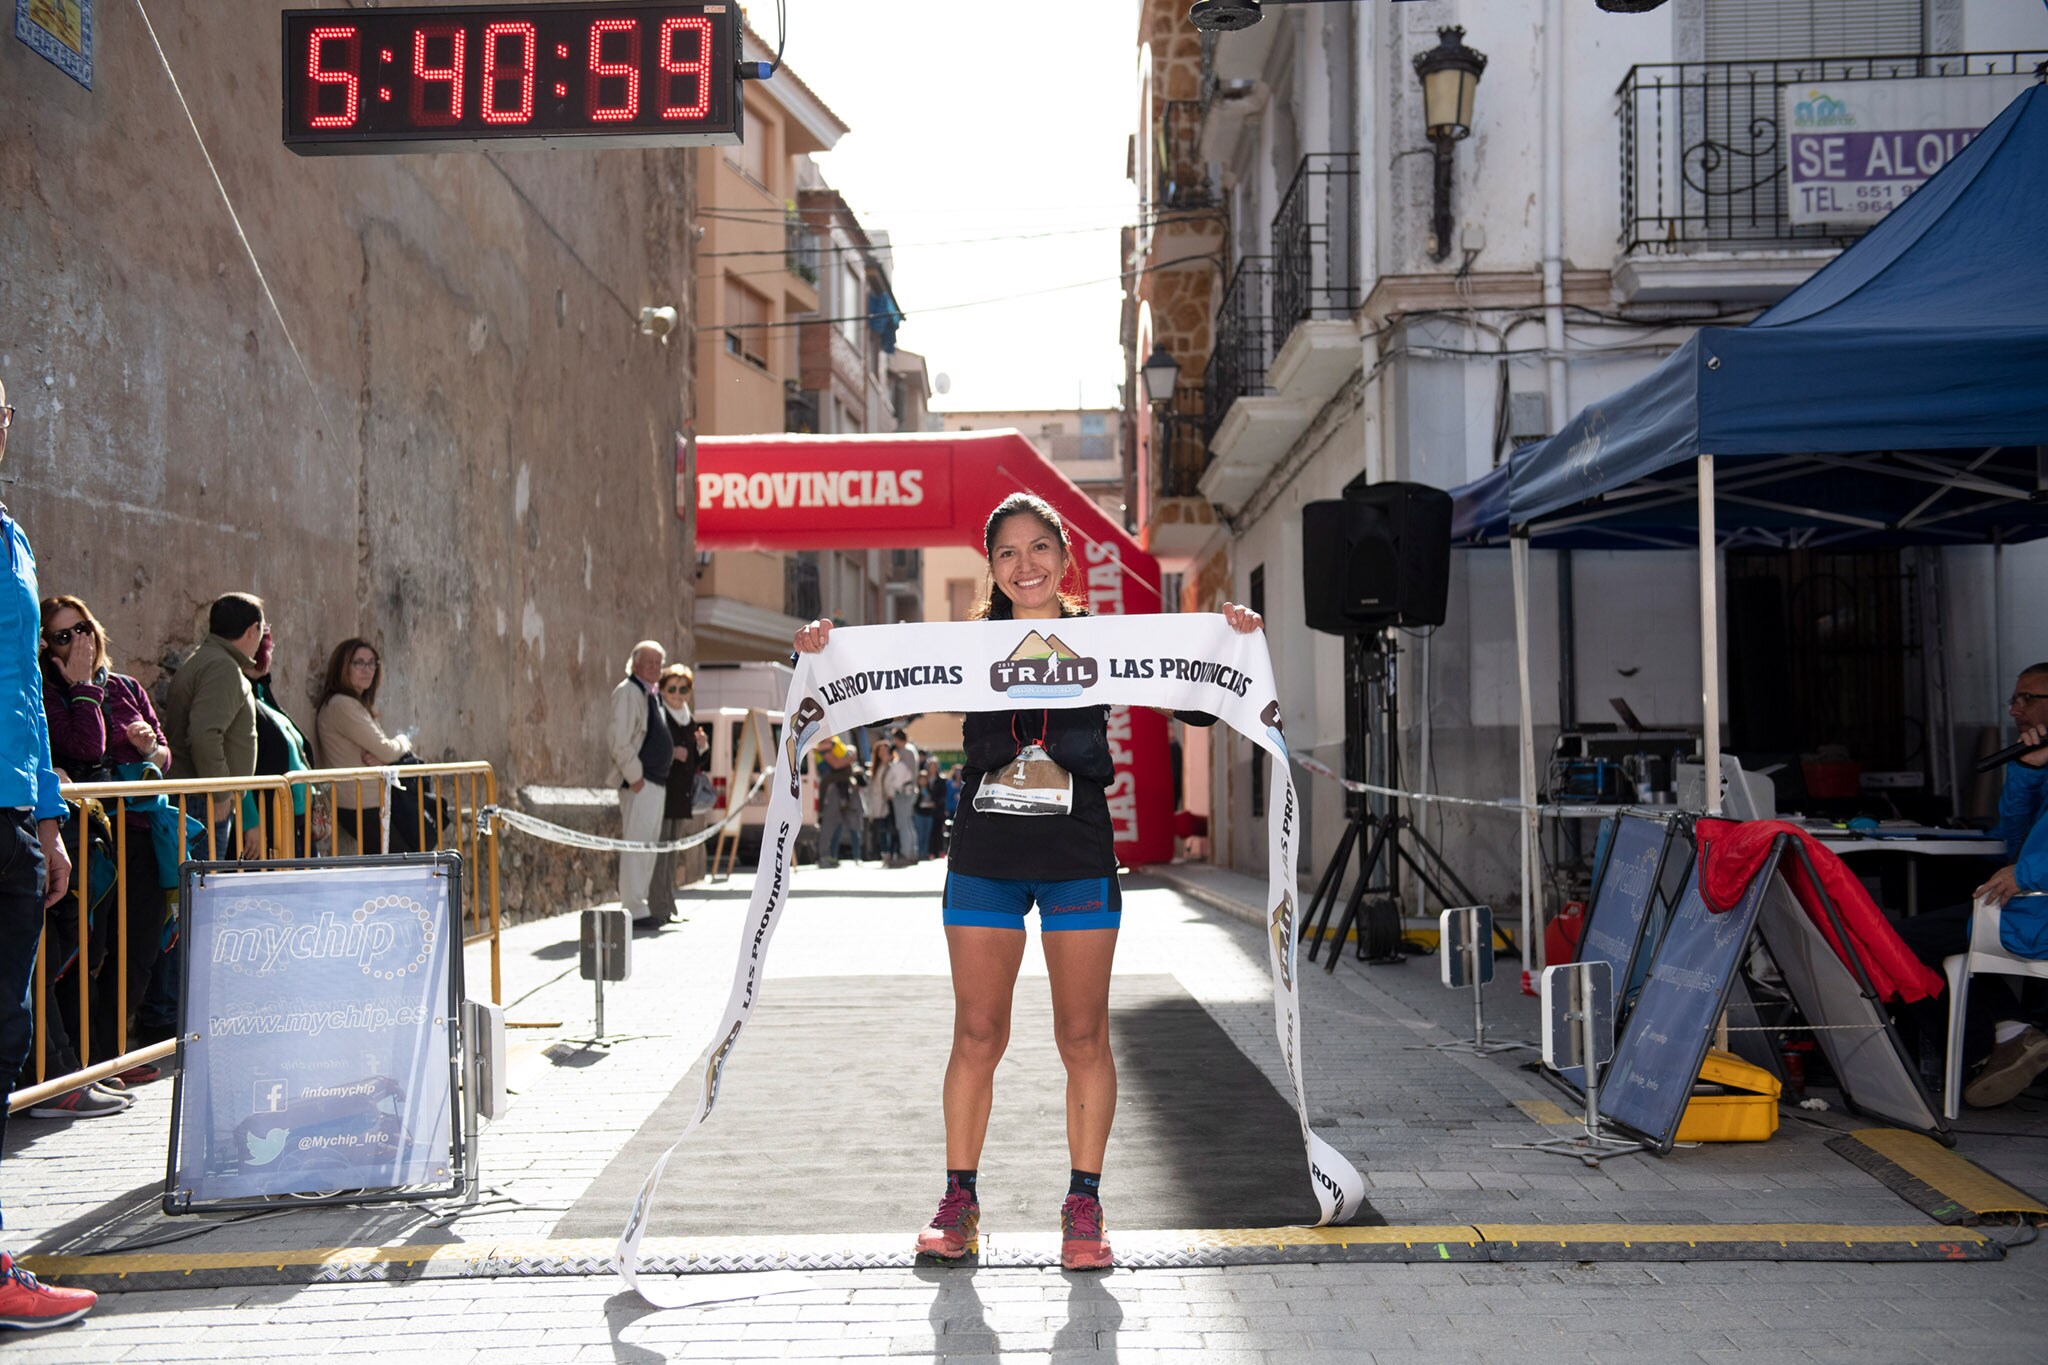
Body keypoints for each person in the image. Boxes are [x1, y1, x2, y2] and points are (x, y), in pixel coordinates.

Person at [794, 491, 1261, 1271]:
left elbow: (1201, 703)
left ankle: (1084, 1203)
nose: (1025, 564)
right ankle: (959, 1200)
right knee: (979, 1032)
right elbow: (869, 683)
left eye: (1039, 546)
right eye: (1007, 552)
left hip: (1076, 848)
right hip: (986, 853)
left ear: (1065, 556)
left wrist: (1232, 640)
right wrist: (824, 645)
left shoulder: (1102, 640)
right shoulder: (966, 645)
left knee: (1082, 1035)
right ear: (992, 568)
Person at [0, 376, 100, 1328]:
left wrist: (46, 820)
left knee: (5, 1036)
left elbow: (25, 699)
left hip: (11, 822)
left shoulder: (14, 539)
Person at [35, 594, 174, 1112]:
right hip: (87, 835)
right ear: (48, 647)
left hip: (138, 830)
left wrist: (147, 749)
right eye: (63, 636)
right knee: (85, 952)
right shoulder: (55, 691)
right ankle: (84, 1061)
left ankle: (109, 1052)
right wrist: (81, 691)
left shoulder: (127, 687)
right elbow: (86, 749)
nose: (78, 642)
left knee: (138, 946)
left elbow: (165, 753)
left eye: (83, 630)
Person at [1898, 665, 2048, 1106]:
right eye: (2014, 699)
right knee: (1929, 917)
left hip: (2035, 915)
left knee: (1891, 944)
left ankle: (1992, 1046)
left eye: (2027, 698)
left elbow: (2020, 864)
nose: (2014, 709)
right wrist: (2027, 772)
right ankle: (2010, 1032)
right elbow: (2014, 843)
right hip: (2027, 908)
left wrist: (2026, 874)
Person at [163, 592, 265, 854]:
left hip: (199, 796)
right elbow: (204, 734)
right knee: (202, 889)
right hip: (203, 800)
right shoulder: (222, 667)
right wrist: (220, 792)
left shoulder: (210, 659)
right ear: (253, 630)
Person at [314, 638, 414, 853]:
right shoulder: (343, 705)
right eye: (358, 663)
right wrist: (404, 741)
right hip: (359, 803)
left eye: (372, 663)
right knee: (403, 863)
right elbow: (387, 750)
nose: (367, 670)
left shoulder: (355, 704)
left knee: (398, 861)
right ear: (343, 667)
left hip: (370, 801)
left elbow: (382, 752)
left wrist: (385, 758)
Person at [604, 641, 671, 924]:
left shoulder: (652, 695)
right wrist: (636, 777)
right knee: (636, 845)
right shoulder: (628, 692)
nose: (654, 667)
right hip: (640, 783)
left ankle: (640, 905)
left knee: (648, 846)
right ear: (635, 664)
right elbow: (618, 740)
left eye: (658, 662)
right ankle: (633, 906)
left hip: (656, 783)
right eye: (649, 662)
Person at [647, 663, 708, 926]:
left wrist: (700, 748)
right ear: (662, 689)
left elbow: (696, 762)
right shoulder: (659, 712)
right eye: (671, 688)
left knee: (672, 853)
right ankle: (656, 907)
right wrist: (672, 753)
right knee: (660, 853)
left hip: (680, 794)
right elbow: (650, 746)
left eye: (683, 688)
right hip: (663, 790)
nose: (677, 693)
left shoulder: (687, 716)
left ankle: (668, 905)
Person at [813, 731, 859, 868]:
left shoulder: (831, 744)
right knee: (828, 823)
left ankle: (828, 855)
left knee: (835, 823)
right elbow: (837, 765)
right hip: (832, 789)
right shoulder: (824, 748)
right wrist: (850, 759)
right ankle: (823, 855)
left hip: (840, 788)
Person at [882, 737, 917, 868]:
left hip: (901, 795)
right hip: (905, 793)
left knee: (903, 825)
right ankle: (911, 853)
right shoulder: (901, 764)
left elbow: (895, 783)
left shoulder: (899, 765)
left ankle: (906, 854)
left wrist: (891, 793)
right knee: (908, 824)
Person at [863, 738, 897, 864]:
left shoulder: (892, 768)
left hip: (889, 802)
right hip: (878, 804)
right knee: (882, 830)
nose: (883, 753)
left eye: (885, 751)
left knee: (891, 829)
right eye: (880, 751)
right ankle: (885, 854)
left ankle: (892, 853)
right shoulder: (874, 769)